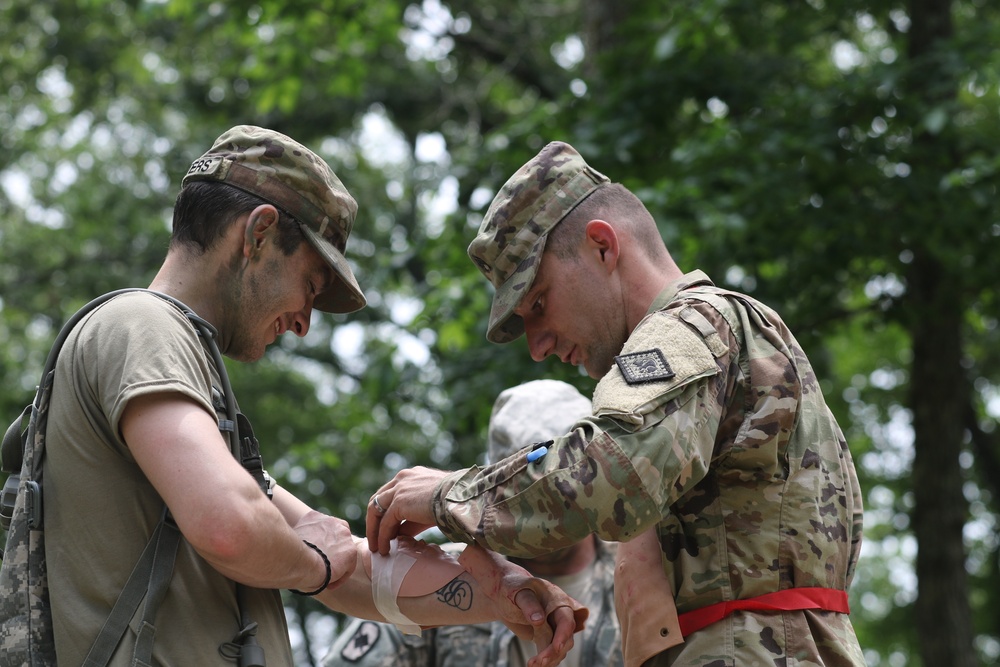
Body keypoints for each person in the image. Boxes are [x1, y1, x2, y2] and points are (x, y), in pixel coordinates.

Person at [31, 127, 583, 667]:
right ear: (259, 233)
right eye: (312, 286)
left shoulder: (188, 377)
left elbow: (354, 570)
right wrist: (315, 564)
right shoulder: (141, 326)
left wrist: (505, 590)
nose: (302, 323)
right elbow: (234, 529)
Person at [366, 141, 866, 666]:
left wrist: (451, 495)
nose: (537, 347)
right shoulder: (726, 338)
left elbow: (611, 471)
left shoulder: (690, 327)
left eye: (538, 303)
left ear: (602, 247)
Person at [324, 380, 624, 667]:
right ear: (495, 488)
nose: (545, 505)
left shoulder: (641, 574)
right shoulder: (444, 570)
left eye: (560, 481)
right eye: (528, 486)